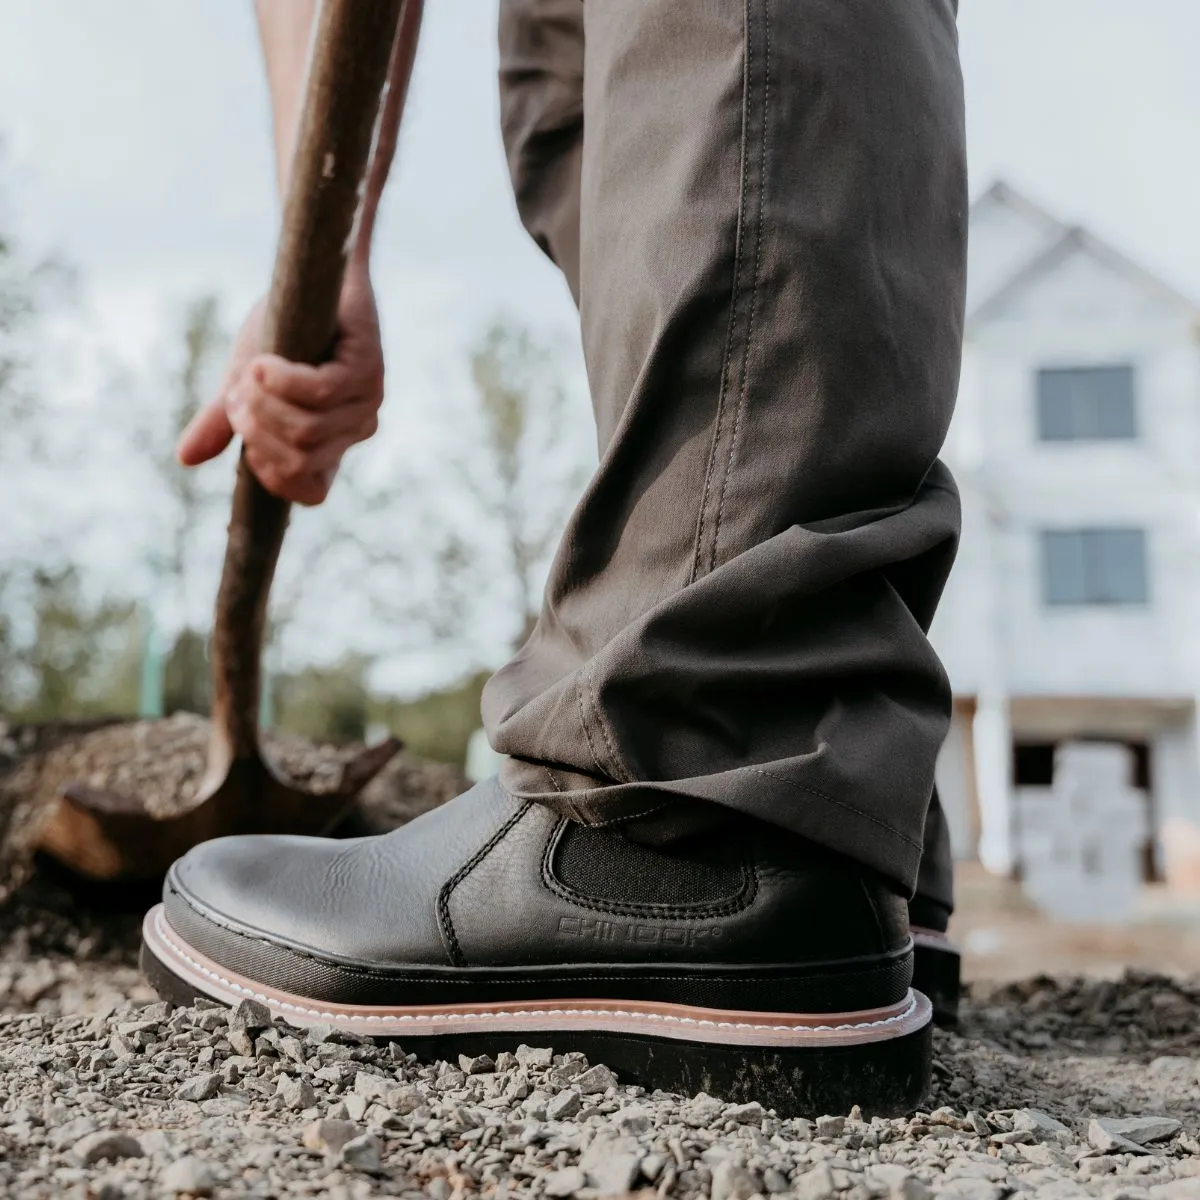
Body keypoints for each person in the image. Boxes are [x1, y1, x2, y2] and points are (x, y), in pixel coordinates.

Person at [143, 0, 967, 1114]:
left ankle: (711, 785)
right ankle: (830, 793)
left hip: (714, 777)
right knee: (588, 90)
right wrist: (329, 233)